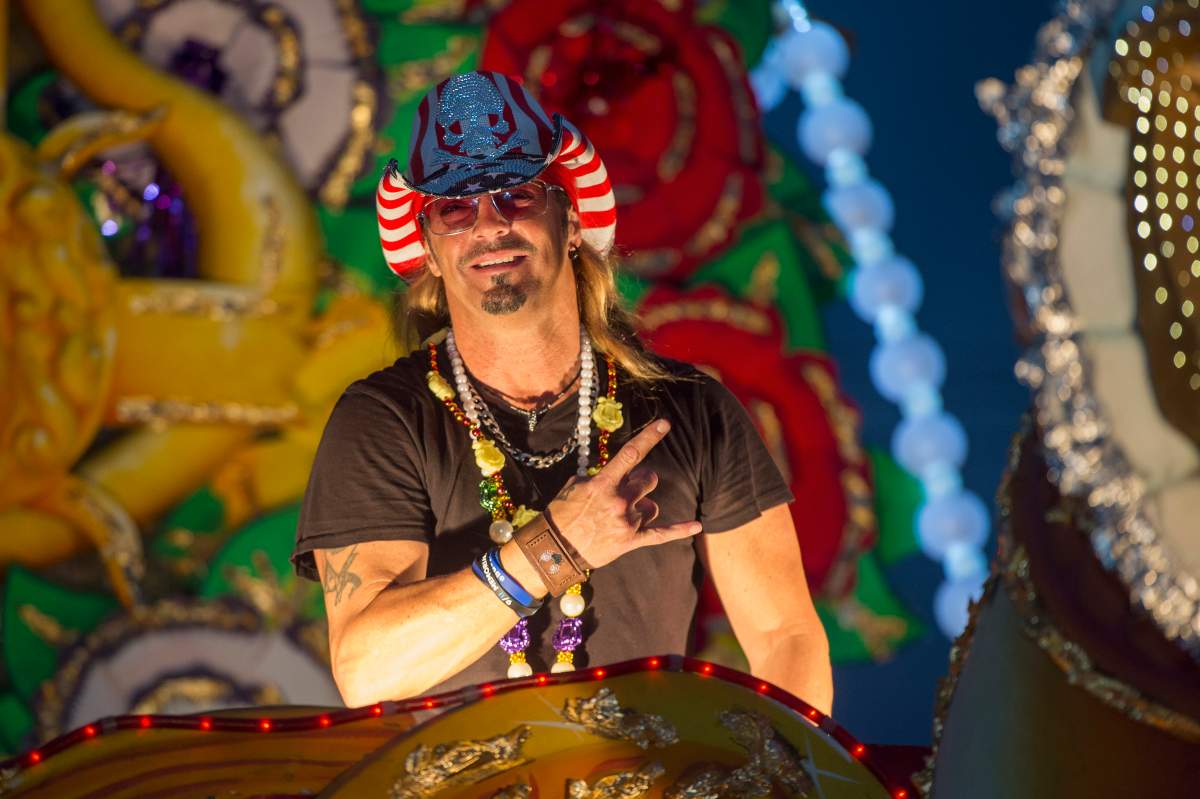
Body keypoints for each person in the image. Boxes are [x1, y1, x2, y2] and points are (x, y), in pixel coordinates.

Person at [291, 71, 832, 713]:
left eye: (517, 195)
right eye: (454, 209)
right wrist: (557, 547)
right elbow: (368, 671)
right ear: (430, 250)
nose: (489, 225)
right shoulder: (382, 420)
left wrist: (792, 775)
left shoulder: (691, 410)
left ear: (570, 219)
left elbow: (785, 637)